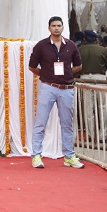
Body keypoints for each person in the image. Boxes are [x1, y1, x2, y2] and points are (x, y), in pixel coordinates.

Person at [29, 16, 84, 169]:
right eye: (53, 26)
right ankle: (36, 156)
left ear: (63, 27)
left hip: (66, 88)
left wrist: (66, 73)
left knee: (67, 124)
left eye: (59, 25)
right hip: (48, 87)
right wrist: (47, 75)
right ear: (49, 28)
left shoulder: (71, 45)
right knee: (40, 122)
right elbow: (32, 66)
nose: (56, 28)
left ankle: (69, 156)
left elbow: (78, 66)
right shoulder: (41, 46)